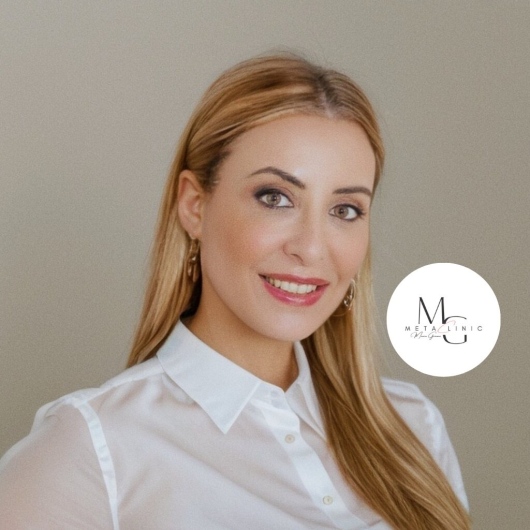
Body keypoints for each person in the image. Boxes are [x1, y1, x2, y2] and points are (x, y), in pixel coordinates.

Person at [0, 54, 471, 529]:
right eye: (275, 198)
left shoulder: (412, 427)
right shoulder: (93, 449)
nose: (311, 248)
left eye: (345, 210)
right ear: (194, 205)